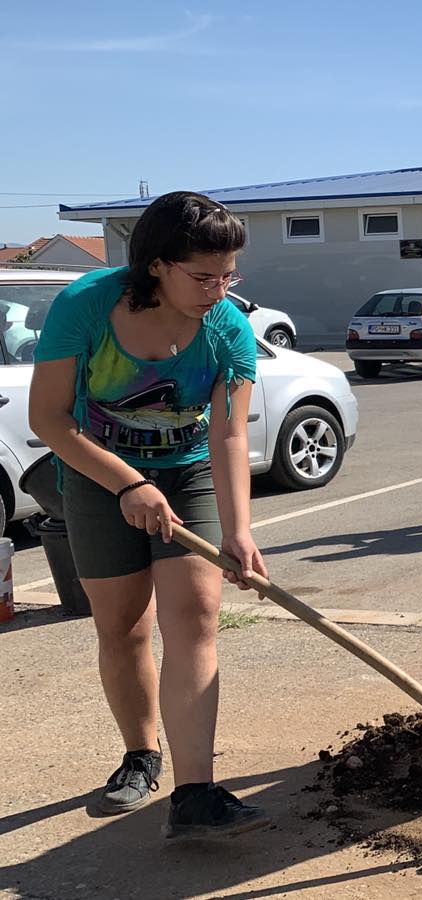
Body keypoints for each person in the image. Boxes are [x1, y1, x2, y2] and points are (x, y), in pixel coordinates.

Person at [28, 191, 269, 839]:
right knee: (124, 627)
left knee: (194, 618)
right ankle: (140, 755)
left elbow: (227, 436)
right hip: (95, 472)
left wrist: (239, 529)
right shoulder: (88, 306)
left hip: (186, 471)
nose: (218, 290)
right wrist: (128, 483)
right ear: (157, 264)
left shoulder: (227, 329)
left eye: (229, 275)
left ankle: (196, 795)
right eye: (203, 276)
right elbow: (48, 419)